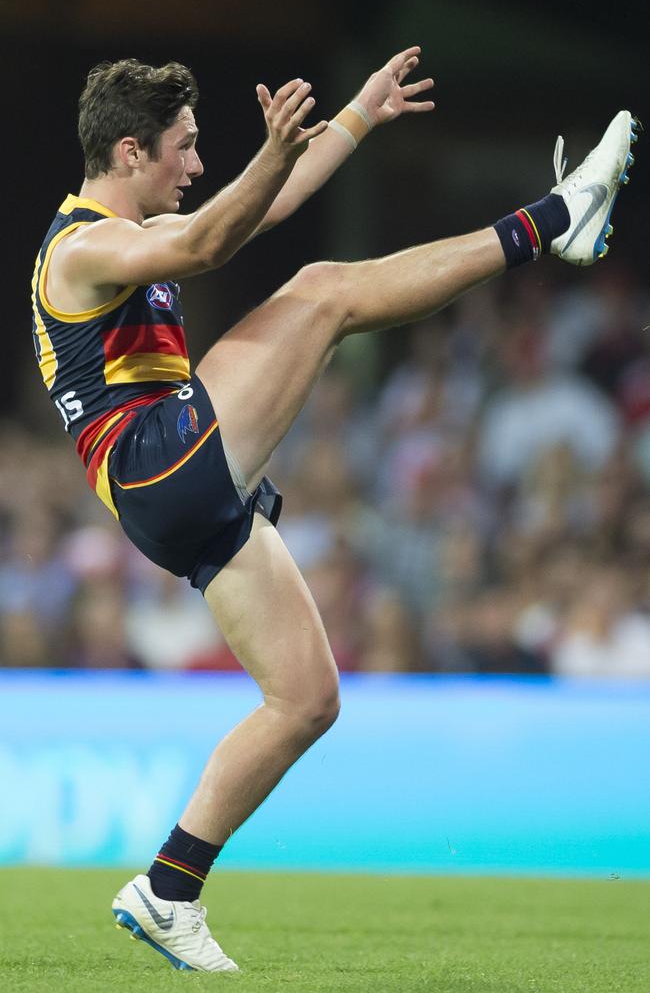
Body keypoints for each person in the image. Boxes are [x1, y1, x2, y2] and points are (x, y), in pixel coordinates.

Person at [30, 48, 638, 972]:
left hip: (176, 491)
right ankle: (554, 221)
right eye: (184, 150)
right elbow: (207, 242)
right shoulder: (84, 246)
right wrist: (270, 152)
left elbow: (248, 214)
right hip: (159, 464)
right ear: (127, 151)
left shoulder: (134, 231)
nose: (196, 167)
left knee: (306, 699)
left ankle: (167, 889)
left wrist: (356, 115)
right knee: (324, 289)